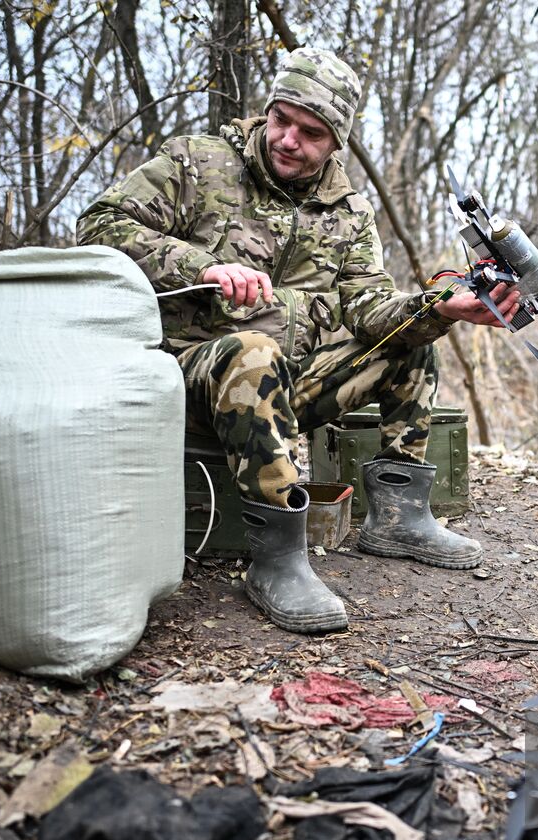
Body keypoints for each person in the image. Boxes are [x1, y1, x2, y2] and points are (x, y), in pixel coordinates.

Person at [77, 48, 514, 634]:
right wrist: (200, 266)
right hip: (187, 379)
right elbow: (101, 224)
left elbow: (369, 307)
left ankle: (398, 517)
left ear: (335, 143)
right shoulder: (197, 163)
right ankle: (278, 558)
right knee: (253, 351)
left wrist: (442, 308)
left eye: (310, 133)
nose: (288, 139)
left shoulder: (348, 212)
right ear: (268, 110)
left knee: (412, 339)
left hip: (284, 390)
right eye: (281, 119)